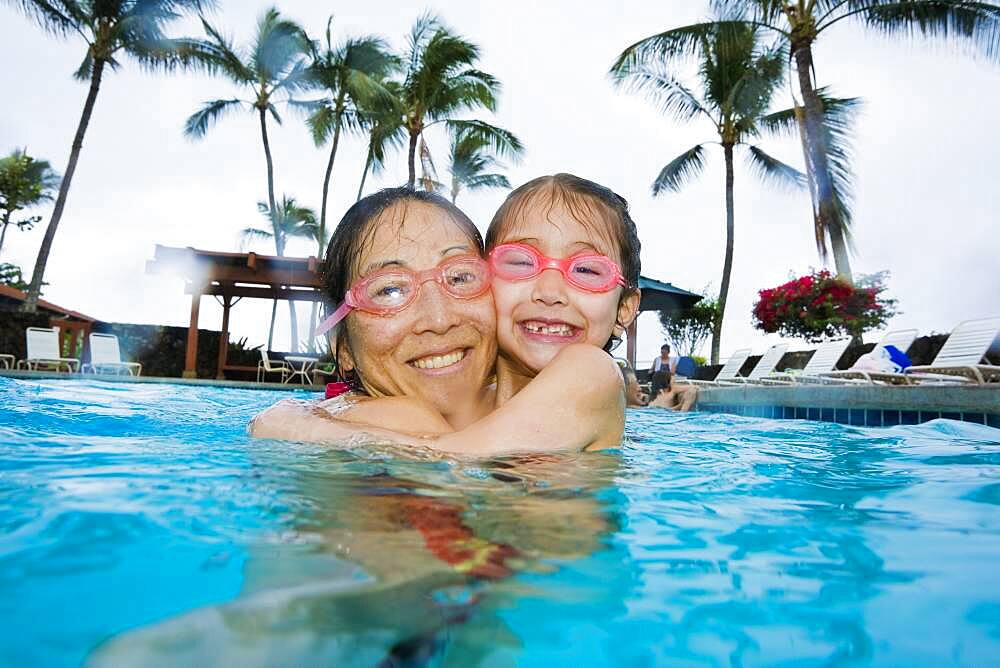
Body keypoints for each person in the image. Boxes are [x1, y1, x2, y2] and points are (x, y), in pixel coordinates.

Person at [251, 175, 641, 455]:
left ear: (626, 306)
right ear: (342, 347)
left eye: (459, 277)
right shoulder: (387, 415)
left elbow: (456, 457)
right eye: (389, 289)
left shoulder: (591, 372)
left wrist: (305, 429)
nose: (550, 293)